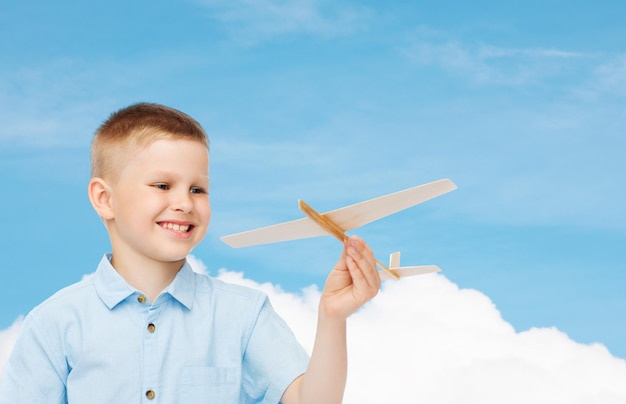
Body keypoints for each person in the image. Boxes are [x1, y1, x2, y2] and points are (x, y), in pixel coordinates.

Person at [0, 103, 381, 403]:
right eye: (163, 185)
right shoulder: (53, 325)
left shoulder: (243, 314)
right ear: (105, 199)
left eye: (198, 189)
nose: (184, 202)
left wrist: (333, 317)